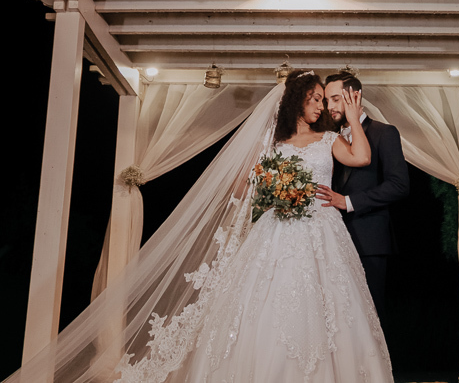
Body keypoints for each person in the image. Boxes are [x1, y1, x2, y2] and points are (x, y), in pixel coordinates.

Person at [113, 70, 394, 383]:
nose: (321, 106)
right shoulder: (275, 145)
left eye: (324, 100)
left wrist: (354, 117)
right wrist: (276, 192)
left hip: (323, 227)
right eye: (315, 99)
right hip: (279, 226)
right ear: (297, 101)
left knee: (332, 305)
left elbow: (363, 157)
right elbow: (243, 186)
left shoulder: (330, 139)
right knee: (269, 301)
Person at [317, 70, 410, 325]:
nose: (329, 106)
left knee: (369, 318)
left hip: (369, 240)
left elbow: (399, 185)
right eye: (327, 101)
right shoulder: (328, 138)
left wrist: (347, 202)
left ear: (355, 96)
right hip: (329, 239)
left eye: (335, 99)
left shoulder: (384, 132)